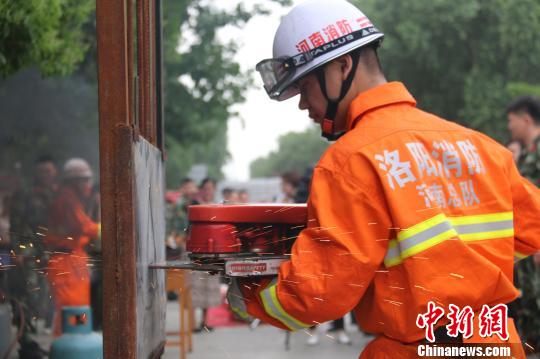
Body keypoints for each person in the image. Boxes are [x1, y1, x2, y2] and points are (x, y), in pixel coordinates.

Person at [227, 1, 540, 357]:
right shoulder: (482, 149)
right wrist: (465, 265)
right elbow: (531, 230)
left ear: (342, 66)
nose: (303, 105)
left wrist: (247, 294)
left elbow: (318, 294)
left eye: (305, 87)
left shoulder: (351, 162)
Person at [8, 155, 59, 357]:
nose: (46, 175)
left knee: (46, 299)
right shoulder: (25, 195)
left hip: (52, 254)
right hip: (29, 254)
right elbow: (16, 226)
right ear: (35, 173)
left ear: (55, 172)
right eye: (42, 171)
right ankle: (28, 343)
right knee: (29, 296)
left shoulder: (58, 194)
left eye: (49, 171)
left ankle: (42, 340)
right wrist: (18, 251)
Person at [45, 158, 100, 337]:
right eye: (84, 180)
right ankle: (69, 348)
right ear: (74, 181)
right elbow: (85, 228)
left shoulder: (72, 199)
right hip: (65, 262)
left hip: (73, 259)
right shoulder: (67, 200)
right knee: (71, 309)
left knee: (78, 308)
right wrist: (113, 228)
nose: (88, 184)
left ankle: (76, 344)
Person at [506, 96, 540, 351]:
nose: (510, 127)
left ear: (526, 118)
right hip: (527, 247)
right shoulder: (527, 153)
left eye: (511, 121)